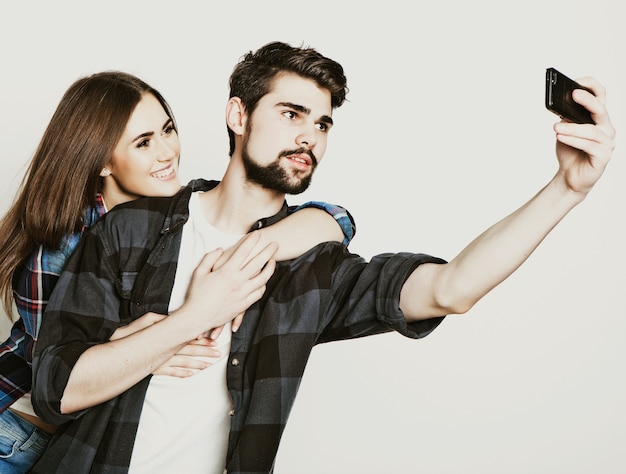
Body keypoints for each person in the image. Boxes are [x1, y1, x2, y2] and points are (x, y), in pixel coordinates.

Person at [30, 41, 615, 474]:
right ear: (239, 116)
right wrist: (193, 317)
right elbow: (57, 387)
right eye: (291, 114)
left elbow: (450, 289)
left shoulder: (314, 269)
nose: (309, 135)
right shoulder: (130, 230)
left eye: (323, 123)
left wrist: (567, 188)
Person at [0, 70, 354, 473]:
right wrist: (160, 341)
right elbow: (56, 363)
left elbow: (331, 218)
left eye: (168, 131)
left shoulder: (174, 219)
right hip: (19, 432)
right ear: (101, 161)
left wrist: (253, 250)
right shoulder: (66, 241)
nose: (167, 152)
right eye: (144, 143)